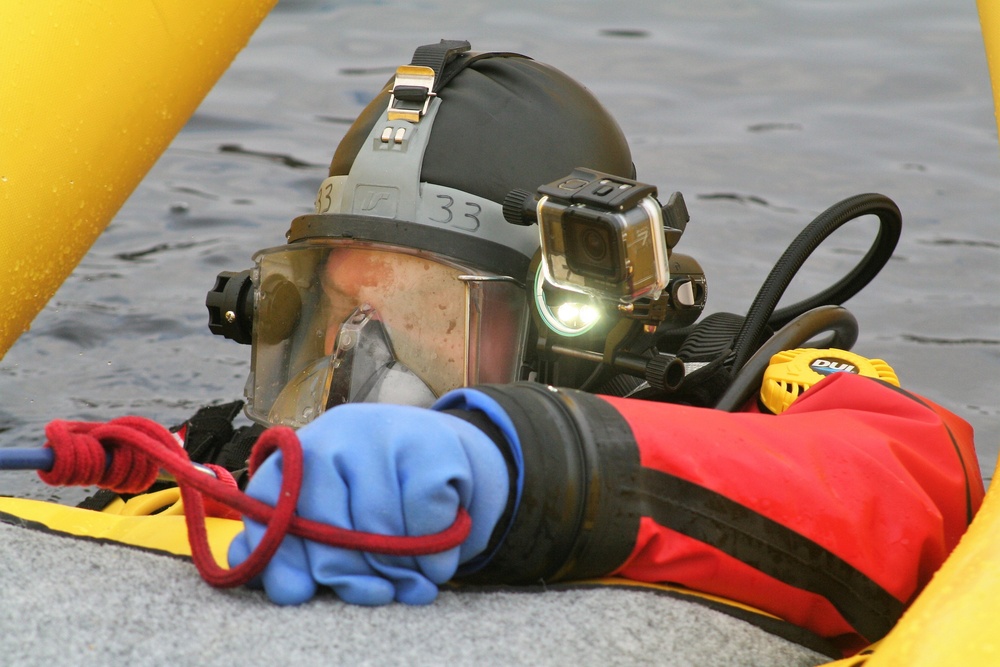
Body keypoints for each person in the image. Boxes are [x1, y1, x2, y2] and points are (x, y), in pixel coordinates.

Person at [202, 40, 983, 656]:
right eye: (336, 308)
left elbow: (925, 487)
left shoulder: (746, 402)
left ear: (561, 325)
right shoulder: (225, 458)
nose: (357, 360)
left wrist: (519, 464)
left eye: (422, 310)